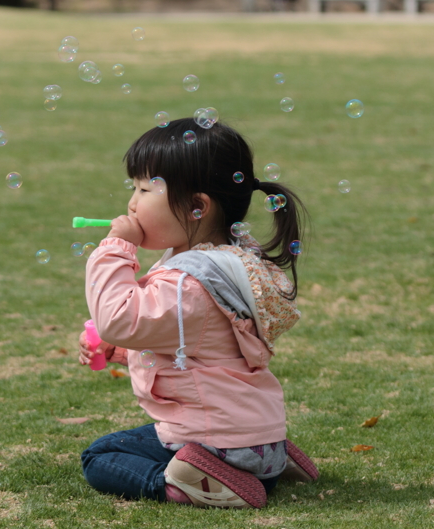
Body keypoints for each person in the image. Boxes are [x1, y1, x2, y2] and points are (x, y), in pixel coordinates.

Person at [78, 117, 319, 509]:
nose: (132, 204)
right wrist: (119, 350)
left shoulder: (187, 284)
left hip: (218, 440)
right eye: (133, 188)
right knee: (140, 438)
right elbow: (194, 347)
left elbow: (117, 319)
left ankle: (189, 482)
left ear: (197, 207)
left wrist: (115, 247)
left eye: (144, 189)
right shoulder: (228, 265)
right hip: (253, 435)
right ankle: (269, 463)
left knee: (101, 455)